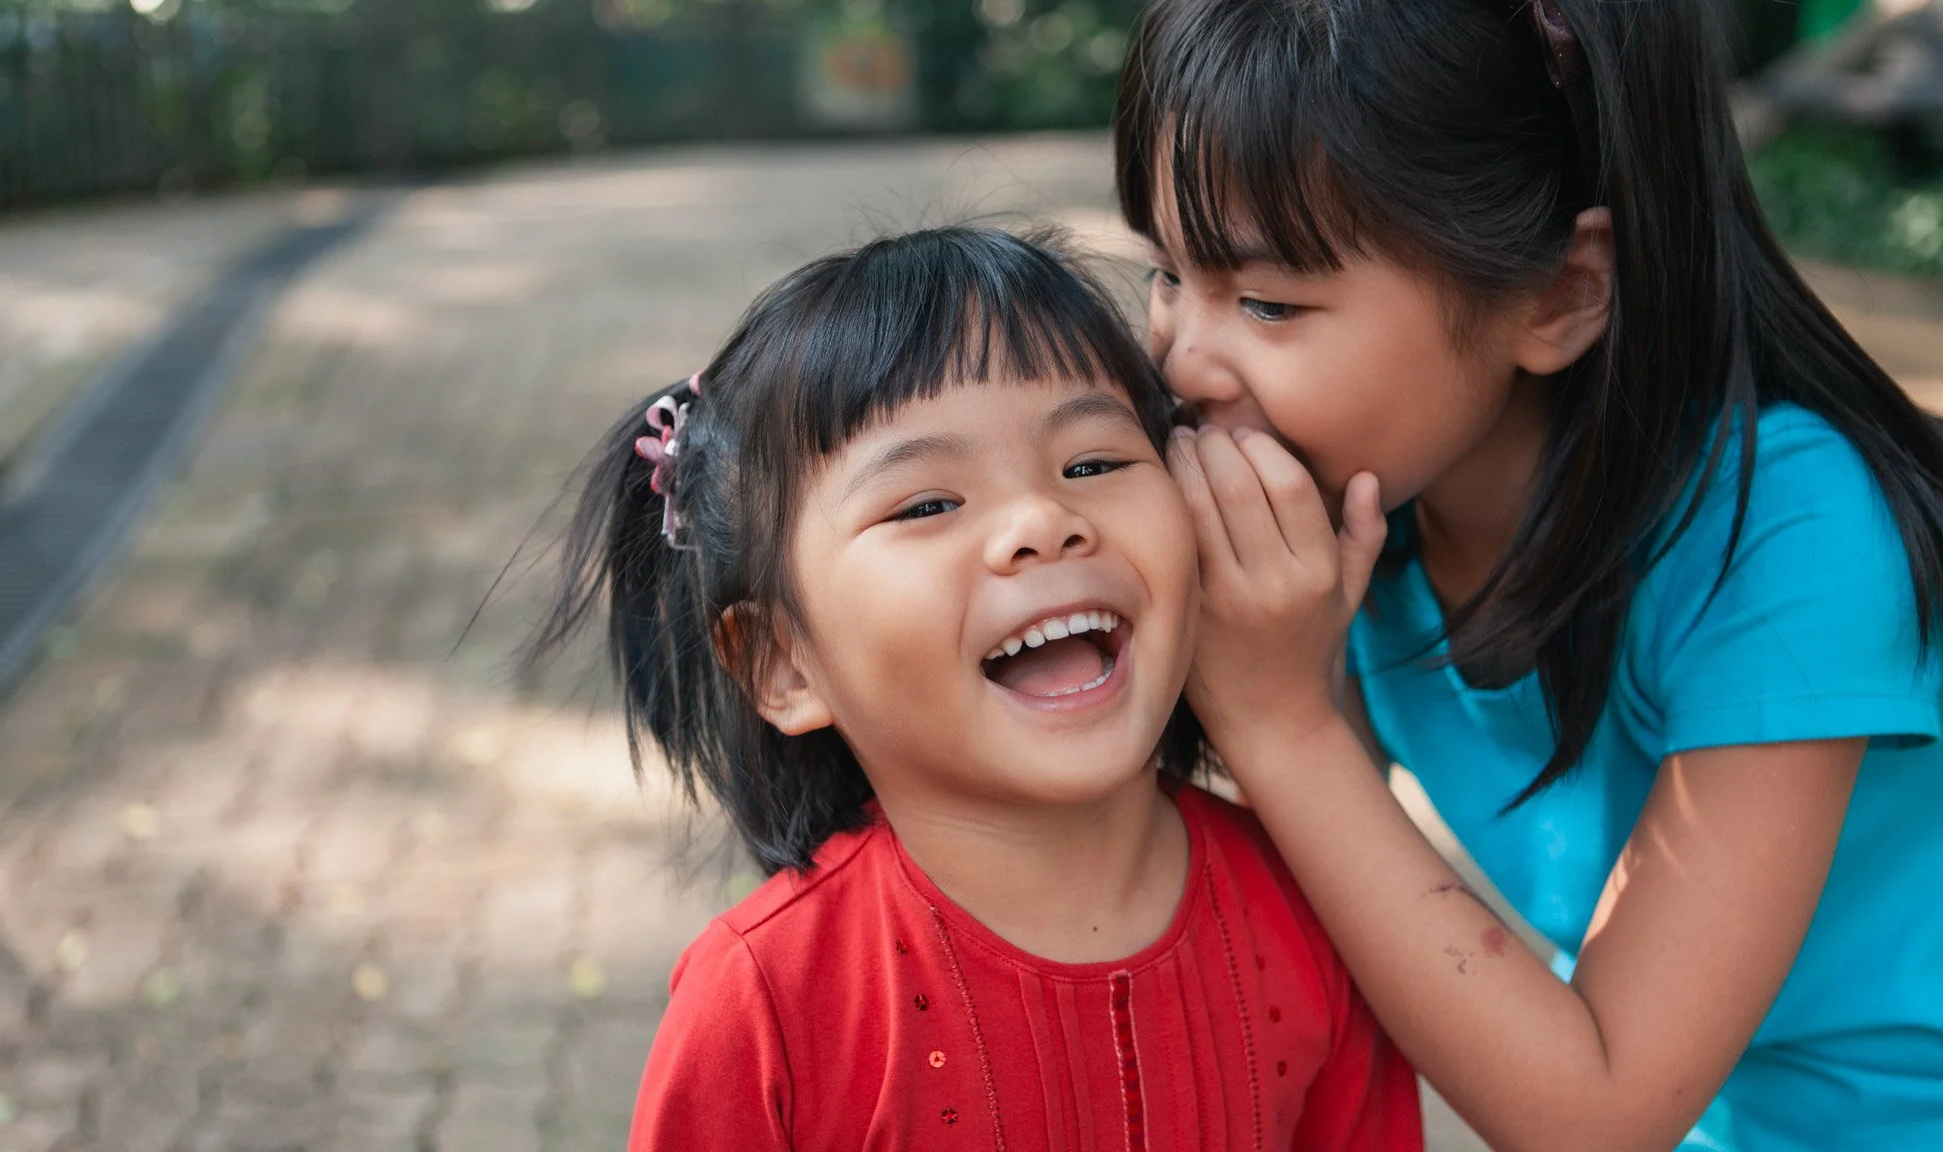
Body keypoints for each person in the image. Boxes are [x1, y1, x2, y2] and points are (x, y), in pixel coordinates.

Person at [1114, 0, 1943, 1149]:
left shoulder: (1787, 530)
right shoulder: (1361, 515)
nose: (1179, 360)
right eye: (1164, 273)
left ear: (1556, 293)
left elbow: (1595, 1115)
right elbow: (1315, 917)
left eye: (1266, 301)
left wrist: (1281, 719)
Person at [525, 226, 1422, 1150]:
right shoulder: (763, 1005)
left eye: (1092, 464)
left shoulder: (1313, 908)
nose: (1044, 520)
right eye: (926, 504)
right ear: (784, 663)